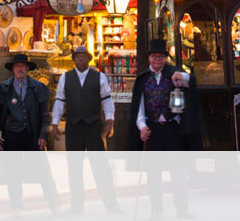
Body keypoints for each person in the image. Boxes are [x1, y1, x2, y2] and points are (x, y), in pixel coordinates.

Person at [127, 39, 202, 219]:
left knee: (178, 172)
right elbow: (140, 107)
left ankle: (182, 209)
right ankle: (156, 209)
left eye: (161, 57)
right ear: (149, 58)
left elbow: (192, 81)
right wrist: (142, 127)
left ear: (165, 58)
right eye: (154, 57)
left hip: (172, 130)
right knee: (154, 174)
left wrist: (182, 78)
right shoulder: (143, 78)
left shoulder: (174, 73)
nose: (157, 60)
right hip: (153, 130)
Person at [50, 46, 120, 214]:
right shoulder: (65, 78)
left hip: (93, 126)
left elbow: (107, 100)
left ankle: (111, 204)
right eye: (78, 58)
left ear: (89, 60)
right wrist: (54, 123)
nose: (80, 60)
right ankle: (76, 206)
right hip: (73, 127)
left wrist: (110, 120)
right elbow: (60, 101)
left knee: (100, 166)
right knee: (74, 168)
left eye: (83, 58)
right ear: (74, 60)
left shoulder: (99, 77)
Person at [0, 53, 59, 215]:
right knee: (13, 172)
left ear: (27, 69)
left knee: (43, 170)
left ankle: (53, 203)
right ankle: (16, 206)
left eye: (23, 66)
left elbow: (44, 115)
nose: (20, 69)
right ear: (13, 69)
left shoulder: (37, 87)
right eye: (17, 66)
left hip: (32, 133)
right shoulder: (4, 88)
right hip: (11, 134)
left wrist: (43, 135)